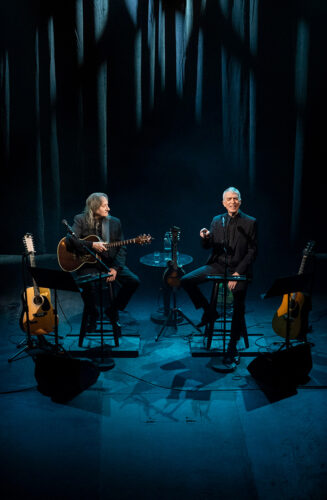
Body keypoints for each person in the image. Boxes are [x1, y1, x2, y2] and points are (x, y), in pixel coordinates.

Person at [180, 187, 257, 369]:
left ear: (240, 201)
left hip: (238, 270)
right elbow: (209, 246)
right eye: (228, 199)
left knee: (238, 304)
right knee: (186, 280)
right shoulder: (217, 220)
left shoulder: (250, 222)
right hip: (218, 265)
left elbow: (252, 251)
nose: (232, 202)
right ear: (223, 203)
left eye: (235, 198)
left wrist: (238, 273)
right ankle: (210, 312)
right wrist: (205, 237)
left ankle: (232, 346)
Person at [66, 192, 140, 331]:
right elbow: (70, 241)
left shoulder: (114, 222)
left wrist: (115, 269)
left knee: (133, 281)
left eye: (108, 205)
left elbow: (121, 248)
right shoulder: (80, 219)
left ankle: (112, 310)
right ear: (94, 207)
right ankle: (92, 315)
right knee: (87, 285)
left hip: (110, 263)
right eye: (104, 205)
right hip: (88, 263)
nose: (108, 208)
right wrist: (92, 245)